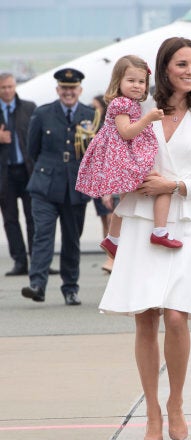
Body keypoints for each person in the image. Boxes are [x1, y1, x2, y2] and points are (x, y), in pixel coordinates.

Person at [99, 37, 191, 440]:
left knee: (175, 317)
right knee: (146, 317)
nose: (190, 71)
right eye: (182, 64)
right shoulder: (136, 106)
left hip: (181, 223)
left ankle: (176, 403)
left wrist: (175, 184)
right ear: (164, 67)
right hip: (138, 219)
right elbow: (114, 148)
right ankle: (151, 409)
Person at [76, 55, 183, 260]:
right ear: (119, 81)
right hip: (122, 160)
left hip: (124, 157)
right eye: (131, 81)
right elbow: (126, 132)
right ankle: (159, 232)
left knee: (125, 201)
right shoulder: (121, 104)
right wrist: (148, 119)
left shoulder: (129, 103)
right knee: (164, 186)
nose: (137, 86)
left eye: (141, 82)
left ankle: (113, 239)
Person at [21, 68, 96, 305]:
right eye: (64, 88)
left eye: (72, 89)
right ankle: (37, 285)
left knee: (72, 239)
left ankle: (70, 288)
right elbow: (31, 150)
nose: (68, 93)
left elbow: (95, 153)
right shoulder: (43, 114)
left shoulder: (90, 115)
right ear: (58, 90)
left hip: (75, 187)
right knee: (43, 235)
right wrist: (45, 173)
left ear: (80, 90)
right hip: (45, 186)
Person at [0, 72, 36, 276]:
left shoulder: (29, 108)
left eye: (10, 87)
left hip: (28, 171)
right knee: (10, 219)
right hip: (5, 174)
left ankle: (38, 260)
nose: (7, 91)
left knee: (34, 218)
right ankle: (20, 262)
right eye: (3, 87)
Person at [90, 94, 117, 273]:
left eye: (95, 108)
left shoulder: (108, 128)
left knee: (112, 217)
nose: (93, 111)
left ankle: (112, 258)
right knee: (104, 219)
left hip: (110, 180)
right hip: (98, 180)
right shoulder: (91, 127)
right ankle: (109, 253)